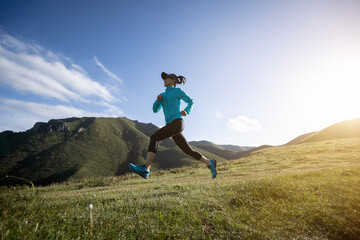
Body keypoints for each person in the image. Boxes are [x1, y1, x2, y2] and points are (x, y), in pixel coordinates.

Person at [129, 72, 217, 179]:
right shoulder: (163, 95)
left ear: (173, 80)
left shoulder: (177, 91)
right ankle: (209, 163)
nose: (165, 80)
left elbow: (190, 101)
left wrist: (186, 110)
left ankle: (146, 169)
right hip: (171, 125)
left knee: (154, 137)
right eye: (164, 78)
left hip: (178, 123)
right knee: (188, 151)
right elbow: (155, 110)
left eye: (167, 78)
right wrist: (158, 100)